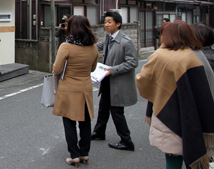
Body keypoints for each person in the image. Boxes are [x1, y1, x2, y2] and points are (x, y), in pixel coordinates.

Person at [136, 20, 214, 169]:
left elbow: (143, 80)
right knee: (195, 151)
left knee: (172, 155)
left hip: (168, 111)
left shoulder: (161, 54)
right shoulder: (194, 55)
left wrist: (156, 91)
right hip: (195, 112)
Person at [52, 15, 99, 167]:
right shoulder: (93, 46)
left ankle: (74, 155)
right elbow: (92, 68)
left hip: (68, 89)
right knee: (85, 122)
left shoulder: (66, 46)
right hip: (85, 87)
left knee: (69, 123)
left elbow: (58, 69)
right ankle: (84, 153)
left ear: (71, 28)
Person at [91, 11, 138, 151]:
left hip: (118, 82)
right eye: (105, 22)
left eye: (109, 22)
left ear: (118, 24)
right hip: (106, 80)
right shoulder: (108, 38)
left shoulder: (126, 42)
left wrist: (113, 70)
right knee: (103, 108)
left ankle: (127, 141)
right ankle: (99, 132)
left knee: (117, 112)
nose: (106, 24)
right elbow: (96, 47)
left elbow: (133, 62)